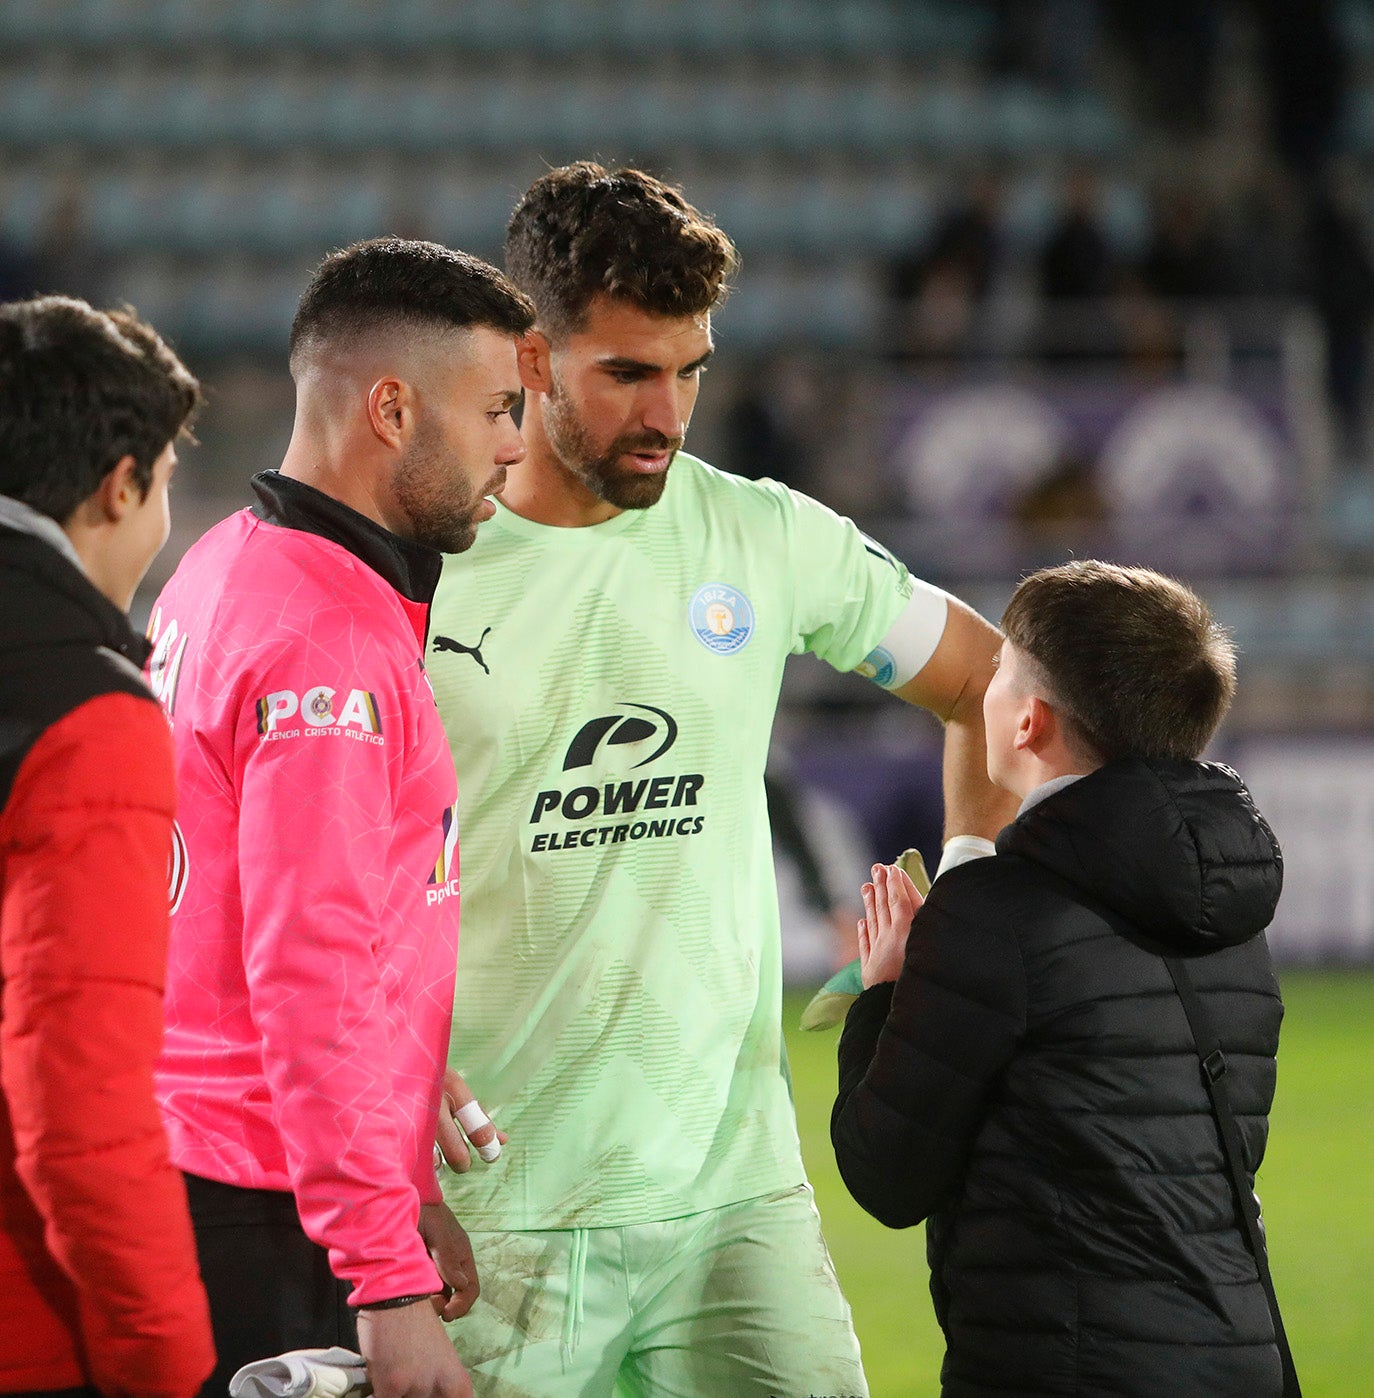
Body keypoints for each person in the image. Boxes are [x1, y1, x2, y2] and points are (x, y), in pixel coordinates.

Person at [425, 162, 1016, 1397]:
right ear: (529, 358)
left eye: (692, 370)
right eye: (628, 373)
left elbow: (993, 686)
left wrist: (971, 884)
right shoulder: (417, 575)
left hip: (733, 1196)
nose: (671, 414)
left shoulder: (763, 536)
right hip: (500, 1212)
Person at [147, 239, 533, 1398]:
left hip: (213, 1169)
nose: (516, 445)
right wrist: (383, 1279)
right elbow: (309, 970)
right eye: (498, 409)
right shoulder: (330, 646)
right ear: (392, 407)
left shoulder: (224, 563)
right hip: (260, 1207)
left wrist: (404, 1185)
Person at [832, 561, 1288, 1396]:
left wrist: (885, 991)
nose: (987, 687)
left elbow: (885, 1173)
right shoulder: (1234, 921)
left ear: (1027, 723)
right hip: (1241, 1356)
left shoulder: (994, 913)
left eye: (1000, 674)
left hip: (1066, 1368)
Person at [0, 295, 214, 1397]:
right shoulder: (86, 716)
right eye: (166, 488)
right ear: (120, 484)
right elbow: (78, 1116)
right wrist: (166, 1369)